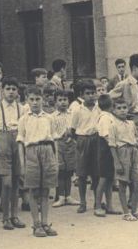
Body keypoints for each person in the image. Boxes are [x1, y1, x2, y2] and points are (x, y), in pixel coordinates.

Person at [110, 54, 138, 202]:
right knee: (134, 157)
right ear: (134, 67)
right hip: (133, 121)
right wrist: (119, 116)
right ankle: (132, 196)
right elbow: (107, 98)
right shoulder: (124, 84)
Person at [17, 85, 58, 237]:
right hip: (31, 152)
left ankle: (45, 222)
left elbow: (54, 140)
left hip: (47, 151)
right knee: (34, 190)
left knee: (46, 190)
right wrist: (22, 163)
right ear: (26, 100)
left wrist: (55, 159)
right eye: (31, 99)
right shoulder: (23, 119)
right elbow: (20, 142)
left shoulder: (49, 118)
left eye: (37, 99)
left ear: (42, 100)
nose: (35, 102)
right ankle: (36, 224)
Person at [0, 76, 25, 230]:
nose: (11, 92)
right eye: (8, 89)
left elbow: (24, 130)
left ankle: (14, 215)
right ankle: (5, 218)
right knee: (7, 182)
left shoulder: (21, 108)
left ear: (17, 92)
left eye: (13, 89)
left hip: (17, 142)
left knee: (17, 181)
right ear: (2, 91)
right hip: (2, 142)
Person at [109, 98, 138, 221]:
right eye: (118, 108)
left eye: (124, 107)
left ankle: (134, 210)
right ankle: (126, 212)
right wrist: (116, 162)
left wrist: (136, 155)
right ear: (113, 110)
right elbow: (113, 145)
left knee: (137, 183)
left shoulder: (131, 123)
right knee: (123, 184)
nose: (122, 110)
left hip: (133, 153)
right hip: (122, 152)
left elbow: (135, 138)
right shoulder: (113, 125)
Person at [71, 79, 101, 213]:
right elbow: (73, 129)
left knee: (96, 172)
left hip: (96, 140)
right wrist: (79, 142)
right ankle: (83, 202)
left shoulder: (99, 107)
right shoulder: (77, 109)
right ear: (82, 95)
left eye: (93, 93)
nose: (91, 96)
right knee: (82, 174)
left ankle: (97, 201)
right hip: (82, 140)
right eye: (88, 93)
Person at [94, 94, 121, 217]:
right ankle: (98, 206)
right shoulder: (104, 118)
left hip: (110, 150)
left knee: (110, 179)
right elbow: (106, 136)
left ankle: (109, 205)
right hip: (106, 151)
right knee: (103, 179)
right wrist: (115, 147)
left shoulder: (109, 116)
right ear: (111, 105)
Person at [51, 89, 79, 207]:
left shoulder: (72, 114)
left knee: (69, 171)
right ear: (55, 102)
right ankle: (61, 196)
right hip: (58, 144)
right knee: (61, 171)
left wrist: (72, 136)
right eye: (60, 100)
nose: (63, 102)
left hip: (71, 144)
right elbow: (51, 132)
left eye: (65, 100)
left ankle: (68, 196)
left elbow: (75, 128)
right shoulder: (52, 116)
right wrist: (60, 136)